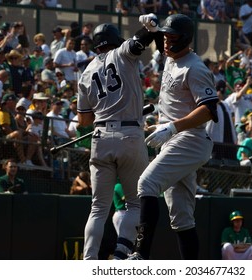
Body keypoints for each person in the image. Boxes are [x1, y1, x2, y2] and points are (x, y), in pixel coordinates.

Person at [127, 13, 219, 260]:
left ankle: (140, 254)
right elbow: (162, 39)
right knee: (181, 216)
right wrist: (153, 28)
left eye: (172, 37)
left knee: (146, 183)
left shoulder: (195, 67)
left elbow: (210, 109)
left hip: (189, 139)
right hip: (173, 139)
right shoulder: (172, 55)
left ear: (185, 39)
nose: (166, 41)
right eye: (165, 36)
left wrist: (173, 127)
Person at [77, 21, 158, 260]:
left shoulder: (86, 72)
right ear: (115, 39)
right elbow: (139, 41)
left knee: (98, 209)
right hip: (129, 134)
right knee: (136, 203)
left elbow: (83, 121)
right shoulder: (121, 53)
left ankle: (88, 262)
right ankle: (122, 252)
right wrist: (150, 28)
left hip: (100, 136)